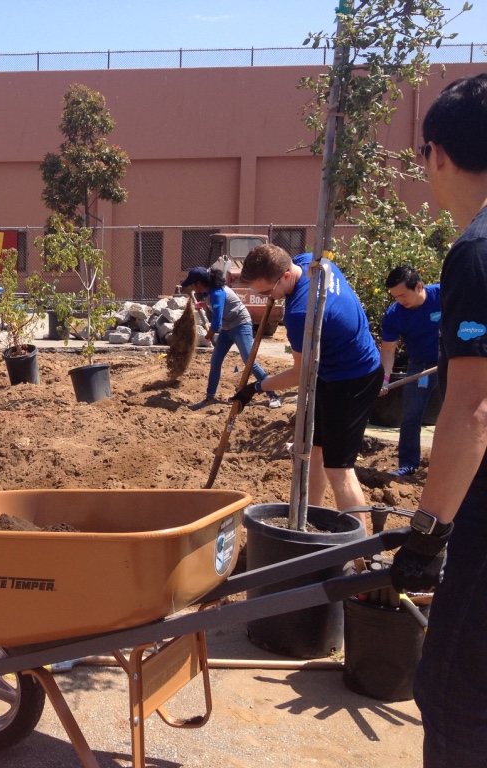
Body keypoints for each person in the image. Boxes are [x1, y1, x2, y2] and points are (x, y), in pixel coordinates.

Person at [388, 73, 487, 768]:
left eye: (423, 155)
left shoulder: (477, 253)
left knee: (453, 696)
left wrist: (428, 534)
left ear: (441, 156)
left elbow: (474, 409)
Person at [236, 244, 381, 512]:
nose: (268, 297)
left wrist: (256, 387)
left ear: (286, 277)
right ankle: (311, 516)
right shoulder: (309, 263)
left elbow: (300, 374)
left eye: (268, 291)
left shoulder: (301, 313)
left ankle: (358, 549)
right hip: (332, 371)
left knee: (339, 469)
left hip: (353, 379)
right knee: (315, 452)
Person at [182, 265, 281, 410]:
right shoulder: (206, 292)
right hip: (228, 328)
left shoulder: (217, 293)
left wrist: (209, 334)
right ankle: (210, 397)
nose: (191, 286)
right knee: (215, 360)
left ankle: (273, 395)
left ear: (199, 283)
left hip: (241, 325)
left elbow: (217, 322)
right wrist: (203, 305)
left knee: (249, 361)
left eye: (192, 284)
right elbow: (216, 311)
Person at [379, 265, 441, 477]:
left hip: (452, 363)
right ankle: (408, 465)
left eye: (403, 295)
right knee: (412, 414)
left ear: (419, 287)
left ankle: (450, 466)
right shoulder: (395, 315)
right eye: (395, 296)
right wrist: (385, 379)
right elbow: (388, 351)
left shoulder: (442, 295)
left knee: (455, 414)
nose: (400, 301)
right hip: (420, 366)